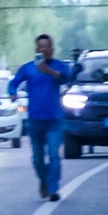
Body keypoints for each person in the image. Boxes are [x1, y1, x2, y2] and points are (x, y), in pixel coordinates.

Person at [8, 34, 73, 201]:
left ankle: (53, 189)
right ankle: (44, 180)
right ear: (36, 49)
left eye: (47, 46)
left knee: (54, 154)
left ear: (52, 49)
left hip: (54, 120)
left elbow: (67, 78)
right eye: (40, 47)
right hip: (35, 120)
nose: (44, 50)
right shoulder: (28, 68)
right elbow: (14, 82)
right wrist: (13, 92)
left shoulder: (59, 66)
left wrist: (48, 71)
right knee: (37, 159)